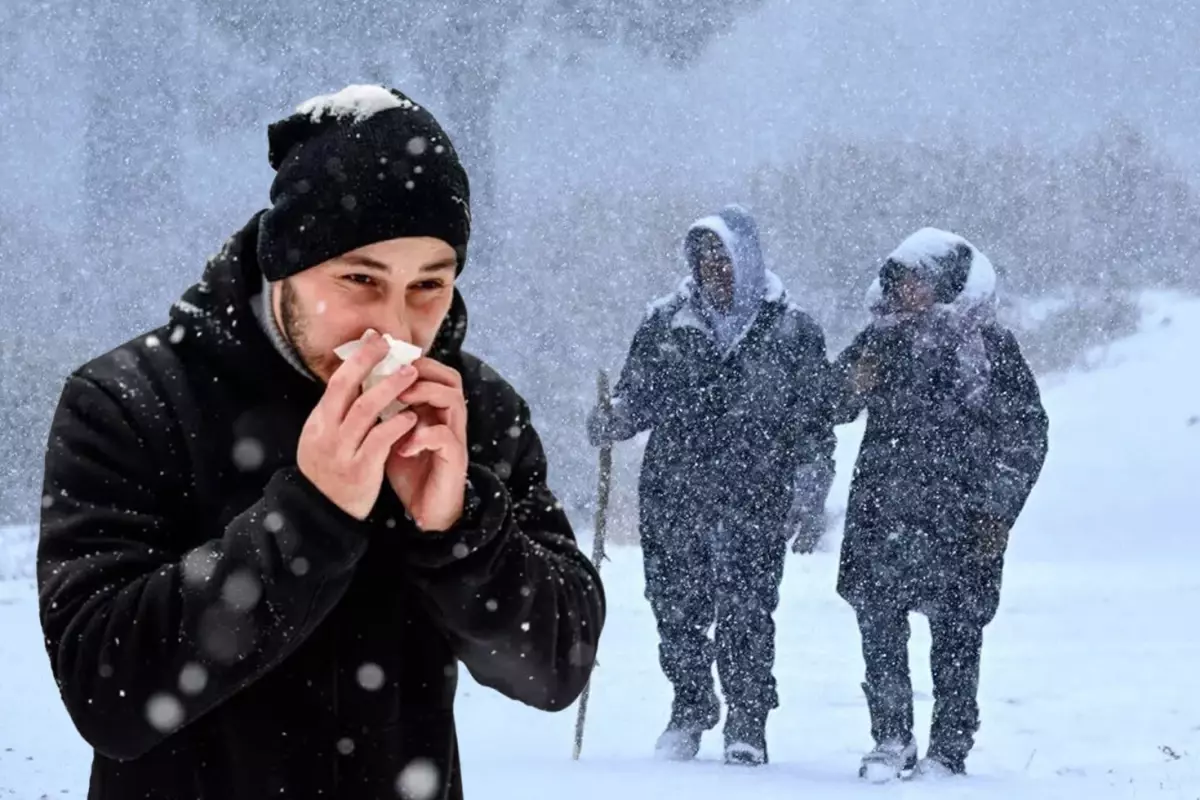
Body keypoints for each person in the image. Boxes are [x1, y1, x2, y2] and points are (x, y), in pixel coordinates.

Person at [37, 84, 606, 800]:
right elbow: (106, 693)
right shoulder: (128, 401)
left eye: (429, 285)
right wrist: (314, 515)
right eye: (360, 278)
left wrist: (458, 527)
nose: (396, 327)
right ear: (284, 267)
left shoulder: (471, 410)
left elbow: (557, 668)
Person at [587, 204, 834, 766]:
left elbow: (814, 422)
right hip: (675, 491)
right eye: (703, 259)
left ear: (748, 257)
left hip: (757, 495)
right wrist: (613, 420)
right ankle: (691, 706)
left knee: (747, 611)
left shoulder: (793, 330)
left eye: (724, 256)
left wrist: (809, 490)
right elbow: (636, 397)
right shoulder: (666, 322)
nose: (713, 268)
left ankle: (747, 722)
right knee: (675, 607)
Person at [831, 228, 1048, 781]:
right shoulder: (878, 341)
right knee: (879, 625)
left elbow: (1026, 434)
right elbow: (830, 406)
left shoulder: (990, 348)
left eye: (920, 281)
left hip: (963, 516)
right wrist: (848, 384)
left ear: (948, 282)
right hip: (884, 510)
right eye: (901, 282)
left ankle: (949, 751)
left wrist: (999, 509)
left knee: (956, 633)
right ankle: (891, 740)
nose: (909, 293)